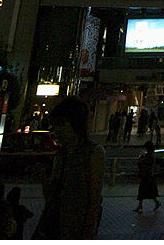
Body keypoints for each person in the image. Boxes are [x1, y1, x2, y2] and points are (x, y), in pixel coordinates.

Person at [34, 96, 105, 239]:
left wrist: (89, 230)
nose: (56, 131)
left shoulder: (93, 153)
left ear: (75, 123)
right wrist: (43, 177)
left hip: (77, 228)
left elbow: (94, 198)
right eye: (54, 126)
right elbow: (51, 197)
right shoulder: (61, 155)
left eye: (61, 124)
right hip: (54, 227)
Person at [135, 140, 160, 212]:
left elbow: (145, 164)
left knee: (144, 190)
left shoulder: (149, 156)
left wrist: (141, 161)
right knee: (148, 191)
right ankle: (142, 204)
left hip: (147, 175)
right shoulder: (150, 155)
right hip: (149, 175)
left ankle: (141, 205)